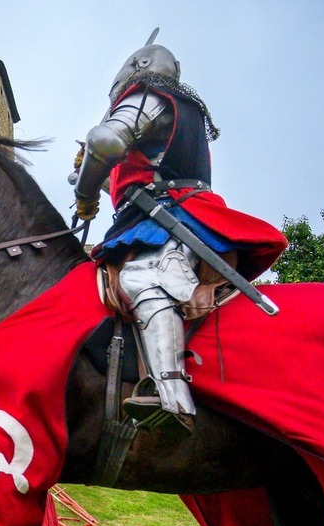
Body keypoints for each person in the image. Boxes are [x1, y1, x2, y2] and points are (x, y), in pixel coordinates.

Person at [71, 30, 287, 434]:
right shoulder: (172, 108)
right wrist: (95, 177)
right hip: (151, 214)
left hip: (173, 218)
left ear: (136, 71)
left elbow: (106, 140)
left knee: (144, 278)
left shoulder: (149, 96)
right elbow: (134, 179)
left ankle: (171, 397)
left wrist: (86, 190)